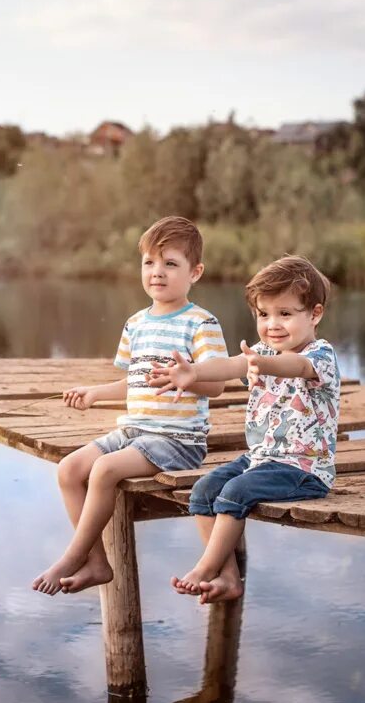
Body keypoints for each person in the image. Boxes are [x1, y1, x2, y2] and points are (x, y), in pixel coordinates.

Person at [32, 216, 229, 595]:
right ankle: (96, 561)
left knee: (104, 469)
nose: (158, 272)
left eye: (170, 264)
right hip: (134, 432)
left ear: (195, 272)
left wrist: (186, 377)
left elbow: (218, 385)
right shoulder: (136, 324)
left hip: (176, 439)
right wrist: (94, 393)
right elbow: (134, 381)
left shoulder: (201, 323)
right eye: (149, 263)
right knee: (69, 469)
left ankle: (71, 556)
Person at [146, 255, 340, 604]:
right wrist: (192, 372)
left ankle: (205, 568)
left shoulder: (320, 354)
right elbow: (229, 364)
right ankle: (229, 577)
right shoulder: (262, 351)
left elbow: (294, 366)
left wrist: (262, 363)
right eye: (264, 315)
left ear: (315, 314)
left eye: (286, 313)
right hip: (260, 459)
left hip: (303, 468)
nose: (273, 324)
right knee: (204, 491)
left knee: (235, 492)